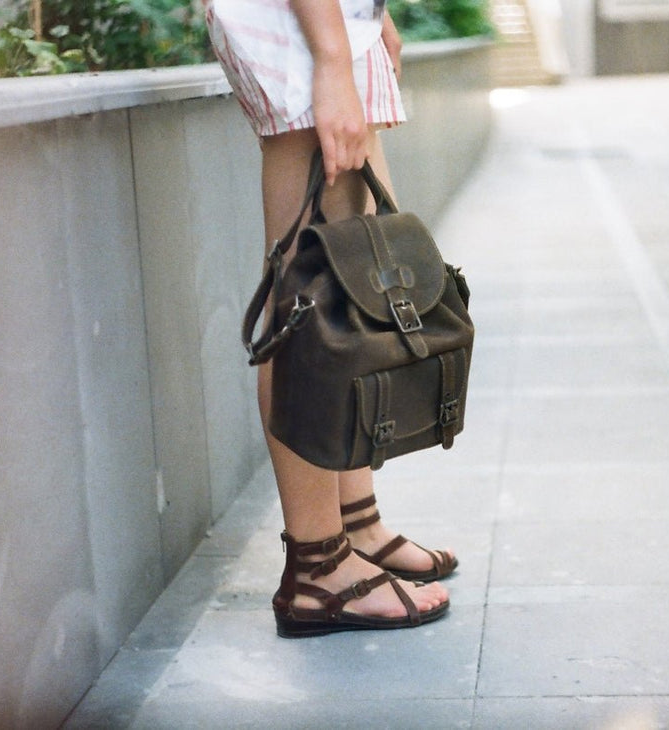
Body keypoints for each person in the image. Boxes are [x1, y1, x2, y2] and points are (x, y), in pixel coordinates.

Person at [205, 0, 455, 637]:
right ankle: (318, 567)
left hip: (328, 25)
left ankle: (355, 524)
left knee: (349, 290)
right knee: (309, 305)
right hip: (302, 27)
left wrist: (370, 20)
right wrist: (333, 56)